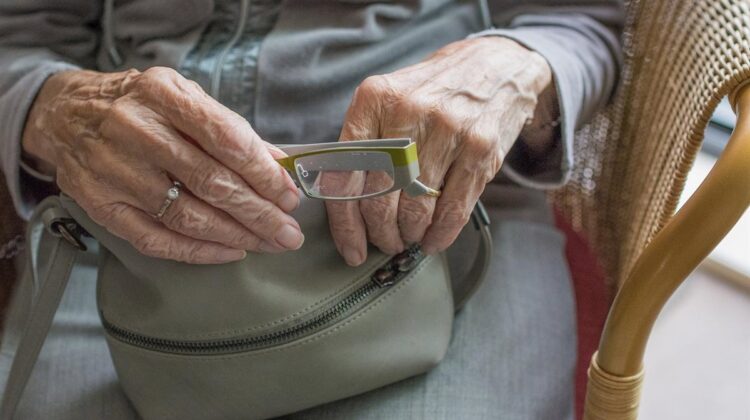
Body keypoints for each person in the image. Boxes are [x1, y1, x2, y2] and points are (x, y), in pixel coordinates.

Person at [0, 0, 622, 418]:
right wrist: (61, 111)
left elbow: (576, 25)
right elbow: (20, 38)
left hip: (428, 218)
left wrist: (506, 68)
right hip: (131, 217)